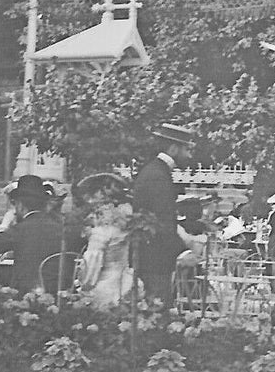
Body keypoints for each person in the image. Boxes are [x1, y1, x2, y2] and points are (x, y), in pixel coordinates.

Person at [130, 123, 197, 303]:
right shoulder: (158, 176)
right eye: (186, 150)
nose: (189, 156)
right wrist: (182, 252)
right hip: (155, 261)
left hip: (154, 258)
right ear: (174, 148)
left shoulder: (156, 171)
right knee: (157, 313)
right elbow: (162, 222)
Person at [0, 175, 64, 293]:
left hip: (26, 293)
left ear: (20, 204)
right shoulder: (60, 227)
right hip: (58, 292)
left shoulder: (21, 229)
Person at [75, 172, 136, 309]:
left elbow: (91, 269)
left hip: (104, 288)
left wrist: (82, 282)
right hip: (126, 281)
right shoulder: (123, 224)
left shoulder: (102, 231)